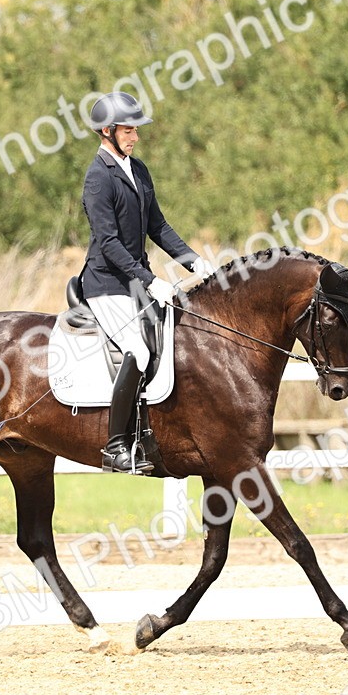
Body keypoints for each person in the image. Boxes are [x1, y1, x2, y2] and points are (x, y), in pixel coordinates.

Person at [79, 91, 216, 474]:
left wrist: (194, 261)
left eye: (136, 130)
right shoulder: (97, 178)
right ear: (106, 131)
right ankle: (115, 446)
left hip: (135, 282)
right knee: (137, 352)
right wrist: (151, 280)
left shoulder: (137, 170)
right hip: (106, 283)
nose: (135, 137)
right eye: (128, 130)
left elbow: (158, 226)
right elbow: (108, 244)